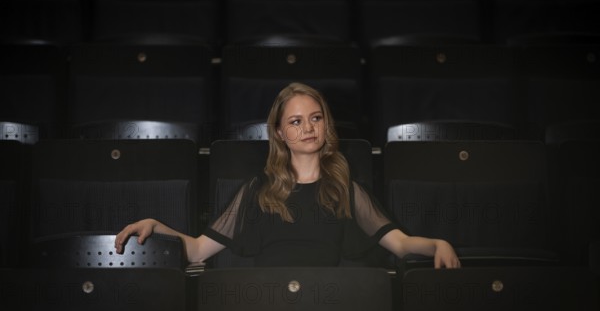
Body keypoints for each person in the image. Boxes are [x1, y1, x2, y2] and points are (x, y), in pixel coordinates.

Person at [115, 82, 461, 269]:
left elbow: (399, 244)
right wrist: (156, 226)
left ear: (326, 124)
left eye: (316, 118)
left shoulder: (346, 189)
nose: (308, 128)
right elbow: (196, 251)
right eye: (296, 121)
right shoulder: (257, 191)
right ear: (280, 133)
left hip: (326, 305)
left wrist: (437, 244)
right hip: (266, 304)